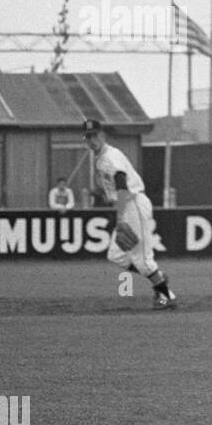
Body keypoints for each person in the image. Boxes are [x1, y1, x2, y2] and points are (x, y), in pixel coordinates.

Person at [83, 119, 178, 310]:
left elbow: (122, 185)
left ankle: (167, 296)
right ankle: (157, 276)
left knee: (142, 259)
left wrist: (120, 219)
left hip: (133, 204)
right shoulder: (101, 158)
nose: (92, 140)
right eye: (88, 137)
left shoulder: (110, 156)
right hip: (127, 205)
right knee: (116, 255)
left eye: (94, 135)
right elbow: (114, 188)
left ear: (102, 135)